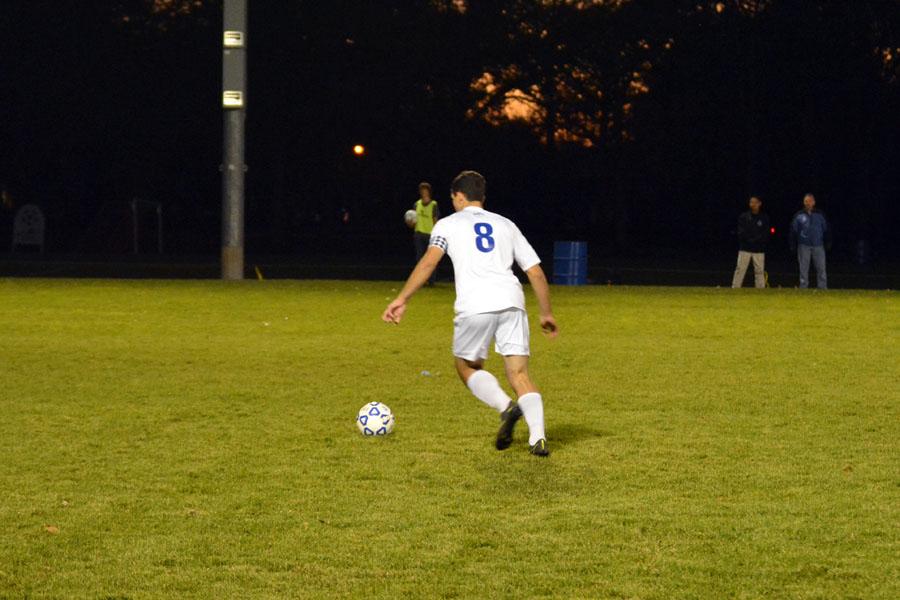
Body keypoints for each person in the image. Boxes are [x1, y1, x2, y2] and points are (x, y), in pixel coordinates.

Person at [382, 171, 558, 456]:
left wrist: (402, 298)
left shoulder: (448, 225)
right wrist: (546, 313)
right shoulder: (506, 224)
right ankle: (537, 438)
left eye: (453, 198)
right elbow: (535, 272)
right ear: (482, 197)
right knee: (519, 374)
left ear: (458, 196)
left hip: (475, 305)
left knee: (466, 367)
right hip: (512, 302)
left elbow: (429, 262)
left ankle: (506, 407)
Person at [790, 193, 831, 290]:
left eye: (810, 201)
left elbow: (827, 229)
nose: (808, 203)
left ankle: (822, 287)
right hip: (803, 246)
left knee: (821, 268)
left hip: (818, 245)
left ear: (814, 202)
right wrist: (792, 244)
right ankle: (803, 287)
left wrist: (828, 242)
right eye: (806, 201)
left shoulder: (820, 214)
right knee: (803, 268)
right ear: (804, 202)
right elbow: (793, 231)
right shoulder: (799, 215)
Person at [732, 196, 770, 289]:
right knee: (740, 269)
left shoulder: (764, 217)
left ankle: (760, 289)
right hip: (745, 248)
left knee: (759, 271)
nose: (753, 205)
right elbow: (741, 232)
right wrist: (750, 240)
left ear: (759, 204)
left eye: (755, 202)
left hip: (759, 248)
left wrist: (756, 240)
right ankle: (735, 288)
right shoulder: (743, 216)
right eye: (751, 202)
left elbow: (765, 233)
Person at [412, 182, 441, 285]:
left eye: (426, 190)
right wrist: (410, 223)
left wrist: (437, 233)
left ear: (429, 192)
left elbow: (435, 219)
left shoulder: (433, 204)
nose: (424, 193)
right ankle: (421, 281)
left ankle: (431, 281)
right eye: (422, 191)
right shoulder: (417, 204)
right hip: (419, 234)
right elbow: (413, 221)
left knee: (431, 258)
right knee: (420, 258)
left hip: (430, 234)